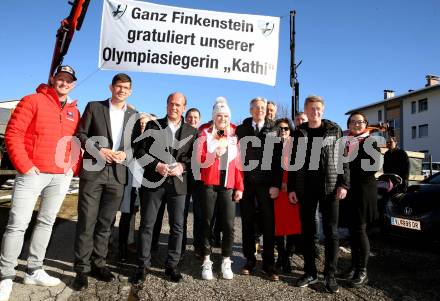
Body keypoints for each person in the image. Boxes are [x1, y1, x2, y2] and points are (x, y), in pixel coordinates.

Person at [0, 65, 80, 300]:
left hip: (60, 176)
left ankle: (34, 269)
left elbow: (75, 141)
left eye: (69, 80)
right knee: (17, 224)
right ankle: (5, 275)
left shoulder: (74, 111)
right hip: (32, 174)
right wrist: (25, 165)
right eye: (61, 78)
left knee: (46, 222)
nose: (64, 83)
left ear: (73, 84)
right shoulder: (32, 100)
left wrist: (71, 168)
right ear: (54, 79)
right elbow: (14, 133)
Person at [72, 73, 136, 291]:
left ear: (130, 91)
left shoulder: (133, 115)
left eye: (126, 88)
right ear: (111, 87)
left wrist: (125, 155)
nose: (122, 90)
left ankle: (99, 264)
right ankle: (81, 269)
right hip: (93, 172)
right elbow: (80, 134)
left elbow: (135, 146)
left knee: (106, 224)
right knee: (87, 221)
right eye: (118, 86)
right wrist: (99, 149)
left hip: (117, 175)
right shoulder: (94, 107)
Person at [133, 92, 197, 284]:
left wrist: (182, 166)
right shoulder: (153, 125)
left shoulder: (192, 132)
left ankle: (172, 266)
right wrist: (156, 165)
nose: (174, 107)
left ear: (184, 107)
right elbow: (140, 151)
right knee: (147, 225)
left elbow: (194, 159)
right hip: (153, 182)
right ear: (166, 105)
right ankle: (143, 265)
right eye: (171, 103)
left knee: (178, 227)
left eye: (178, 104)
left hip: (178, 185)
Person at [288, 95, 349, 293]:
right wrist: (291, 188)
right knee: (307, 232)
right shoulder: (299, 133)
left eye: (318, 108)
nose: (315, 112)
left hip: (330, 188)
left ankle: (330, 275)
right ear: (305, 111)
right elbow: (293, 164)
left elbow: (343, 159)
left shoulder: (334, 129)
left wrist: (344, 184)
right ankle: (310, 272)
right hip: (306, 189)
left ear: (323, 110)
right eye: (312, 108)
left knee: (331, 233)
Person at [197, 98, 244, 280]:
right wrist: (212, 154)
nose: (222, 118)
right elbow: (199, 158)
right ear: (214, 117)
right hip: (209, 183)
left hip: (227, 185)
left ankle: (226, 260)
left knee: (229, 225)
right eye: (219, 115)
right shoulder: (205, 133)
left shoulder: (233, 135)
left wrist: (239, 186)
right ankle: (207, 261)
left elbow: (238, 163)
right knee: (207, 223)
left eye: (225, 116)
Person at [236, 97, 279, 281]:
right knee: (247, 222)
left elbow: (277, 161)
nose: (260, 110)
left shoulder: (274, 129)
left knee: (269, 224)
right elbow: (236, 157)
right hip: (247, 184)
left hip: (267, 184)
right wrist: (238, 184)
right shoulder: (242, 129)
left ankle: (269, 264)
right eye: (256, 107)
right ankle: (249, 260)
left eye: (263, 107)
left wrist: (276, 184)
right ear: (251, 109)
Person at [340, 112, 379, 287]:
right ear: (349, 124)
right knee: (352, 232)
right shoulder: (346, 142)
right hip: (349, 192)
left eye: (360, 122)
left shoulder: (370, 142)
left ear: (365, 125)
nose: (356, 124)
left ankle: (363, 271)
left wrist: (347, 174)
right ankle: (354, 266)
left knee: (360, 231)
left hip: (363, 191)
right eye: (353, 122)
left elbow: (371, 167)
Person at [118, 112, 154, 262]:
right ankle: (123, 247)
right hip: (130, 182)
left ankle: (145, 247)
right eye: (141, 123)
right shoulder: (130, 140)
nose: (143, 126)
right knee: (128, 214)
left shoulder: (154, 141)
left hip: (146, 184)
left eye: (146, 124)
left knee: (146, 216)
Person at [269, 118, 301, 274]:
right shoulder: (272, 146)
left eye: (286, 128)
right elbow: (269, 169)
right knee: (279, 227)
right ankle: (281, 256)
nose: (283, 131)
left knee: (293, 227)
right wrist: (276, 184)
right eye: (280, 128)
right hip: (277, 191)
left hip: (292, 191)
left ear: (291, 130)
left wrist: (291, 186)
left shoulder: (297, 146)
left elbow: (300, 170)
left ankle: (288, 256)